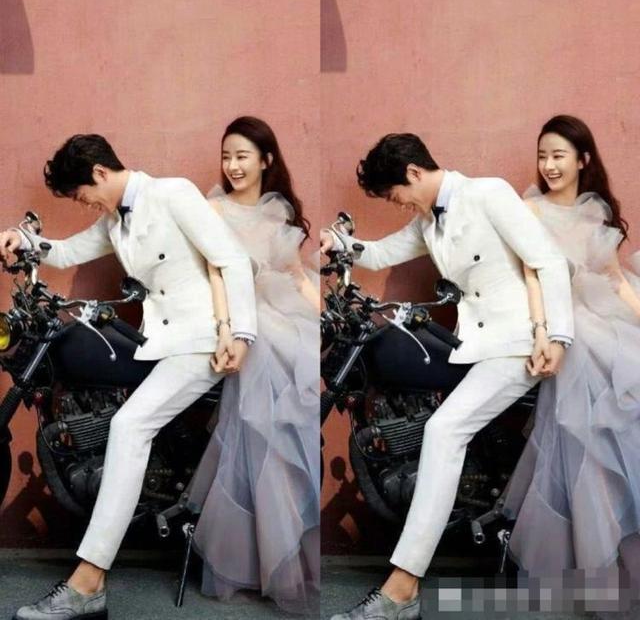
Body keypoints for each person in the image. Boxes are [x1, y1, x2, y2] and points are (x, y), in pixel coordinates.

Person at [0, 134, 257, 620]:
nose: (85, 204)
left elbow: (231, 258)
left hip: (204, 339)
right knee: (116, 412)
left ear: (100, 172)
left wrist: (240, 333)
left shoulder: (172, 193)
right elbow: (66, 251)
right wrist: (24, 239)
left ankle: (88, 582)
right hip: (160, 342)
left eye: (83, 195)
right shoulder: (115, 221)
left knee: (129, 425)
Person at [319, 132, 574, 620]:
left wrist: (556, 336)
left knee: (443, 430)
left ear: (414, 173)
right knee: (432, 419)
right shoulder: (428, 221)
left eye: (396, 194)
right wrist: (340, 243)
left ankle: (401, 590)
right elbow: (380, 253)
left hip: (520, 344)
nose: (398, 203)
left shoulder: (488, 193)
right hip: (476, 346)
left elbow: (547, 260)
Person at [186, 116, 320, 615]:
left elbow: (298, 278)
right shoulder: (212, 209)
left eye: (242, 156)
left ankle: (285, 557)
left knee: (286, 432)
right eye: (226, 156)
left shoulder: (278, 211)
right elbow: (215, 276)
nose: (232, 166)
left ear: (266, 160)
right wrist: (228, 328)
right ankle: (260, 561)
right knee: (256, 427)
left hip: (286, 320)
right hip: (243, 325)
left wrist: (325, 320)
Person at [504, 115, 640, 591]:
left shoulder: (594, 209)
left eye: (558, 155)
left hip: (603, 317)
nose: (549, 165)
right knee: (583, 431)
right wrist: (543, 330)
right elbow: (531, 277)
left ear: (582, 160)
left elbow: (615, 280)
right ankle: (594, 565)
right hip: (564, 326)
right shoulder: (529, 209)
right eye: (543, 155)